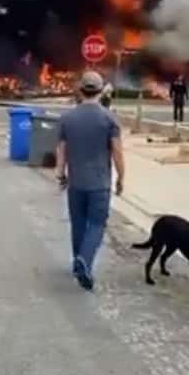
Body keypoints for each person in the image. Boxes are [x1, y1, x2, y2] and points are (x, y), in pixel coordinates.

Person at [55, 71, 125, 291]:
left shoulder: (67, 118)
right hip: (99, 184)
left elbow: (61, 150)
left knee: (78, 223)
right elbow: (117, 152)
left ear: (80, 89)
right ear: (101, 90)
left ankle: (77, 263)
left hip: (76, 183)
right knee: (96, 224)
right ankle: (85, 260)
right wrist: (121, 177)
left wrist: (61, 174)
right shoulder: (109, 118)